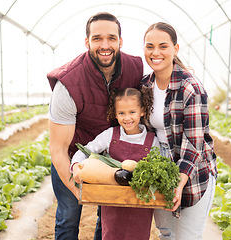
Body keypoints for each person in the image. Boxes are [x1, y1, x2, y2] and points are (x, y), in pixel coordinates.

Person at [46, 12, 143, 240]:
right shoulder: (68, 82)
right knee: (68, 219)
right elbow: (58, 149)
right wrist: (76, 189)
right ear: (87, 42)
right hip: (71, 159)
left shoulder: (136, 69)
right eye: (97, 38)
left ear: (120, 41)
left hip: (113, 160)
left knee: (107, 221)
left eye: (111, 38)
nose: (105, 45)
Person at [141, 22, 218, 240]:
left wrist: (179, 180)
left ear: (175, 49)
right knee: (166, 234)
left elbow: (194, 142)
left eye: (163, 46)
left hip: (193, 171)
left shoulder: (190, 88)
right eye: (150, 46)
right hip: (161, 169)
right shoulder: (144, 85)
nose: (155, 53)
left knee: (187, 236)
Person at [71, 87, 160, 240]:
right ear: (115, 114)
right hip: (112, 201)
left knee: (138, 235)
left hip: (140, 203)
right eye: (121, 113)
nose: (127, 118)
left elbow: (159, 167)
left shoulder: (152, 141)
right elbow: (86, 150)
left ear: (143, 111)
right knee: (111, 235)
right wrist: (76, 165)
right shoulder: (110, 135)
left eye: (132, 112)